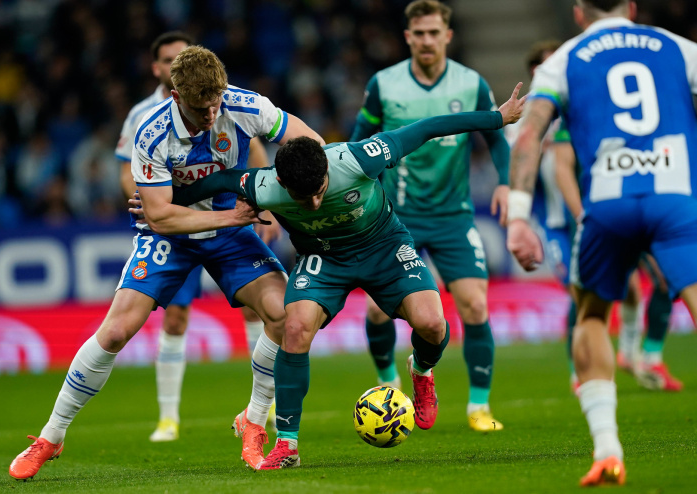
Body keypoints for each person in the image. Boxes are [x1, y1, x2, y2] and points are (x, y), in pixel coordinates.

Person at [164, 83, 525, 469]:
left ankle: (421, 371)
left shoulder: (357, 159)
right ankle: (287, 444)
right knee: (296, 327)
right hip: (324, 258)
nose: (315, 202)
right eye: (304, 199)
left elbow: (426, 128)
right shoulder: (263, 185)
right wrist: (159, 200)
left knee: (433, 324)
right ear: (282, 184)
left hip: (384, 247)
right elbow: (212, 183)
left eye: (319, 191)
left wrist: (496, 118)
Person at [8, 45, 324, 479]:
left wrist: (318, 175)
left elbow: (309, 141)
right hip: (172, 238)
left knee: (282, 314)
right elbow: (159, 215)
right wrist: (233, 214)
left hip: (229, 236)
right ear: (176, 97)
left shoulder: (244, 104)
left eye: (215, 103)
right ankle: (52, 435)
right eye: (200, 108)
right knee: (116, 330)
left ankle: (253, 420)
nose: (212, 114)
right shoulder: (150, 132)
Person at [507, 0, 697, 486]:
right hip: (674, 193)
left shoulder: (565, 58)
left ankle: (608, 449)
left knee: (591, 315)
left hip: (607, 202)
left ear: (578, 12)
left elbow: (530, 135)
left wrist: (519, 218)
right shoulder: (675, 47)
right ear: (630, 7)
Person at [350, 0, 511, 432]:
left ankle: (478, 407)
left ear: (447, 35)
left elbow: (495, 135)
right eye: (418, 33)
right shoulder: (384, 84)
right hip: (395, 219)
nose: (426, 40)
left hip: (453, 216)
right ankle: (388, 385)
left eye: (433, 32)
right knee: (377, 313)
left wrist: (505, 180)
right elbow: (357, 142)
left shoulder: (470, 81)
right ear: (407, 37)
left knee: (475, 305)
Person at [114, 31, 277, 443]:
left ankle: (264, 406)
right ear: (160, 71)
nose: (174, 60)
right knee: (175, 315)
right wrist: (147, 201)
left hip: (225, 220)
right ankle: (168, 417)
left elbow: (253, 147)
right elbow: (126, 172)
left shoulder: (222, 102)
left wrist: (264, 204)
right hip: (176, 226)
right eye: (168, 57)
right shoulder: (141, 118)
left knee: (261, 308)